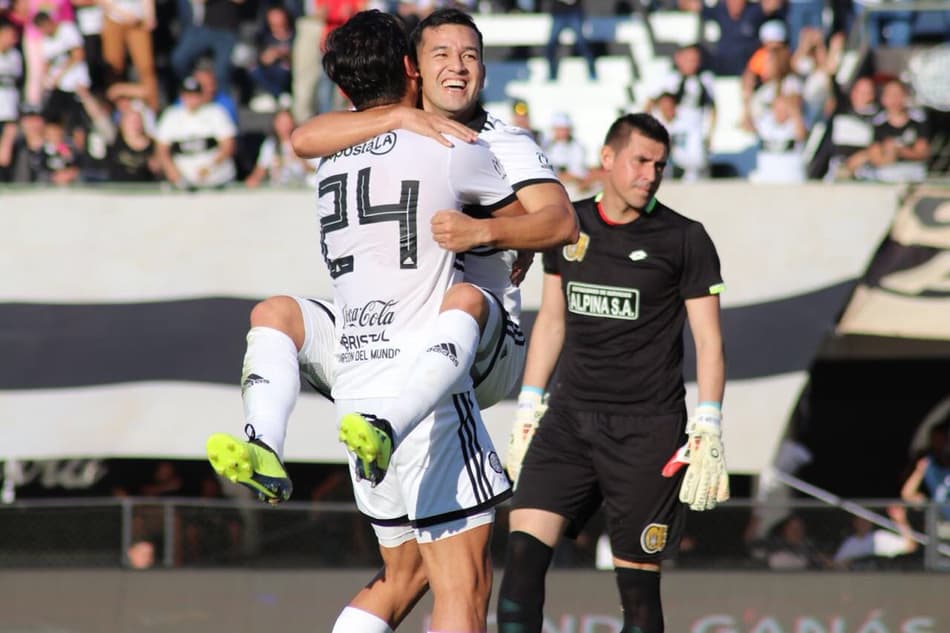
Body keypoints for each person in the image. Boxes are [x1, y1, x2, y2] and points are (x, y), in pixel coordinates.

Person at [207, 7, 576, 632]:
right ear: (413, 68)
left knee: (276, 314)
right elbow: (556, 222)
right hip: (431, 366)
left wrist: (491, 233)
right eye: (441, 55)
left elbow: (302, 137)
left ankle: (267, 433)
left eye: (469, 55)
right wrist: (500, 231)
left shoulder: (341, 147)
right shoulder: (457, 145)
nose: (457, 67)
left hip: (374, 367)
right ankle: (355, 429)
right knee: (441, 583)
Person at [498, 112, 729, 633]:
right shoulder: (568, 224)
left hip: (648, 432)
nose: (650, 174)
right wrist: (529, 405)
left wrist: (709, 422)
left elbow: (710, 341)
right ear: (607, 158)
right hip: (567, 423)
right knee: (519, 569)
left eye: (660, 165)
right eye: (640, 161)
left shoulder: (685, 238)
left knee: (639, 598)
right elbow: (552, 320)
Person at [154, 75, 237, 189]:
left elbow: (228, 145)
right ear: (182, 96)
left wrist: (210, 167)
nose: (191, 99)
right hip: (182, 179)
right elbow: (162, 149)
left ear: (201, 95)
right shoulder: (171, 115)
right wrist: (171, 171)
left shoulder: (216, 112)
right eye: (188, 95)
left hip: (216, 177)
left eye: (195, 95)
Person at [833, 505, 918, 569]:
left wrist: (901, 520)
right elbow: (837, 564)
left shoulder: (881, 537)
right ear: (855, 522)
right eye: (860, 520)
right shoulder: (849, 543)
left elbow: (911, 547)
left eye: (866, 520)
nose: (863, 523)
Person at [0, 19, 23, 181]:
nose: (13, 39)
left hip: (9, 112)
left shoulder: (15, 56)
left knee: (5, 155)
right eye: (9, 35)